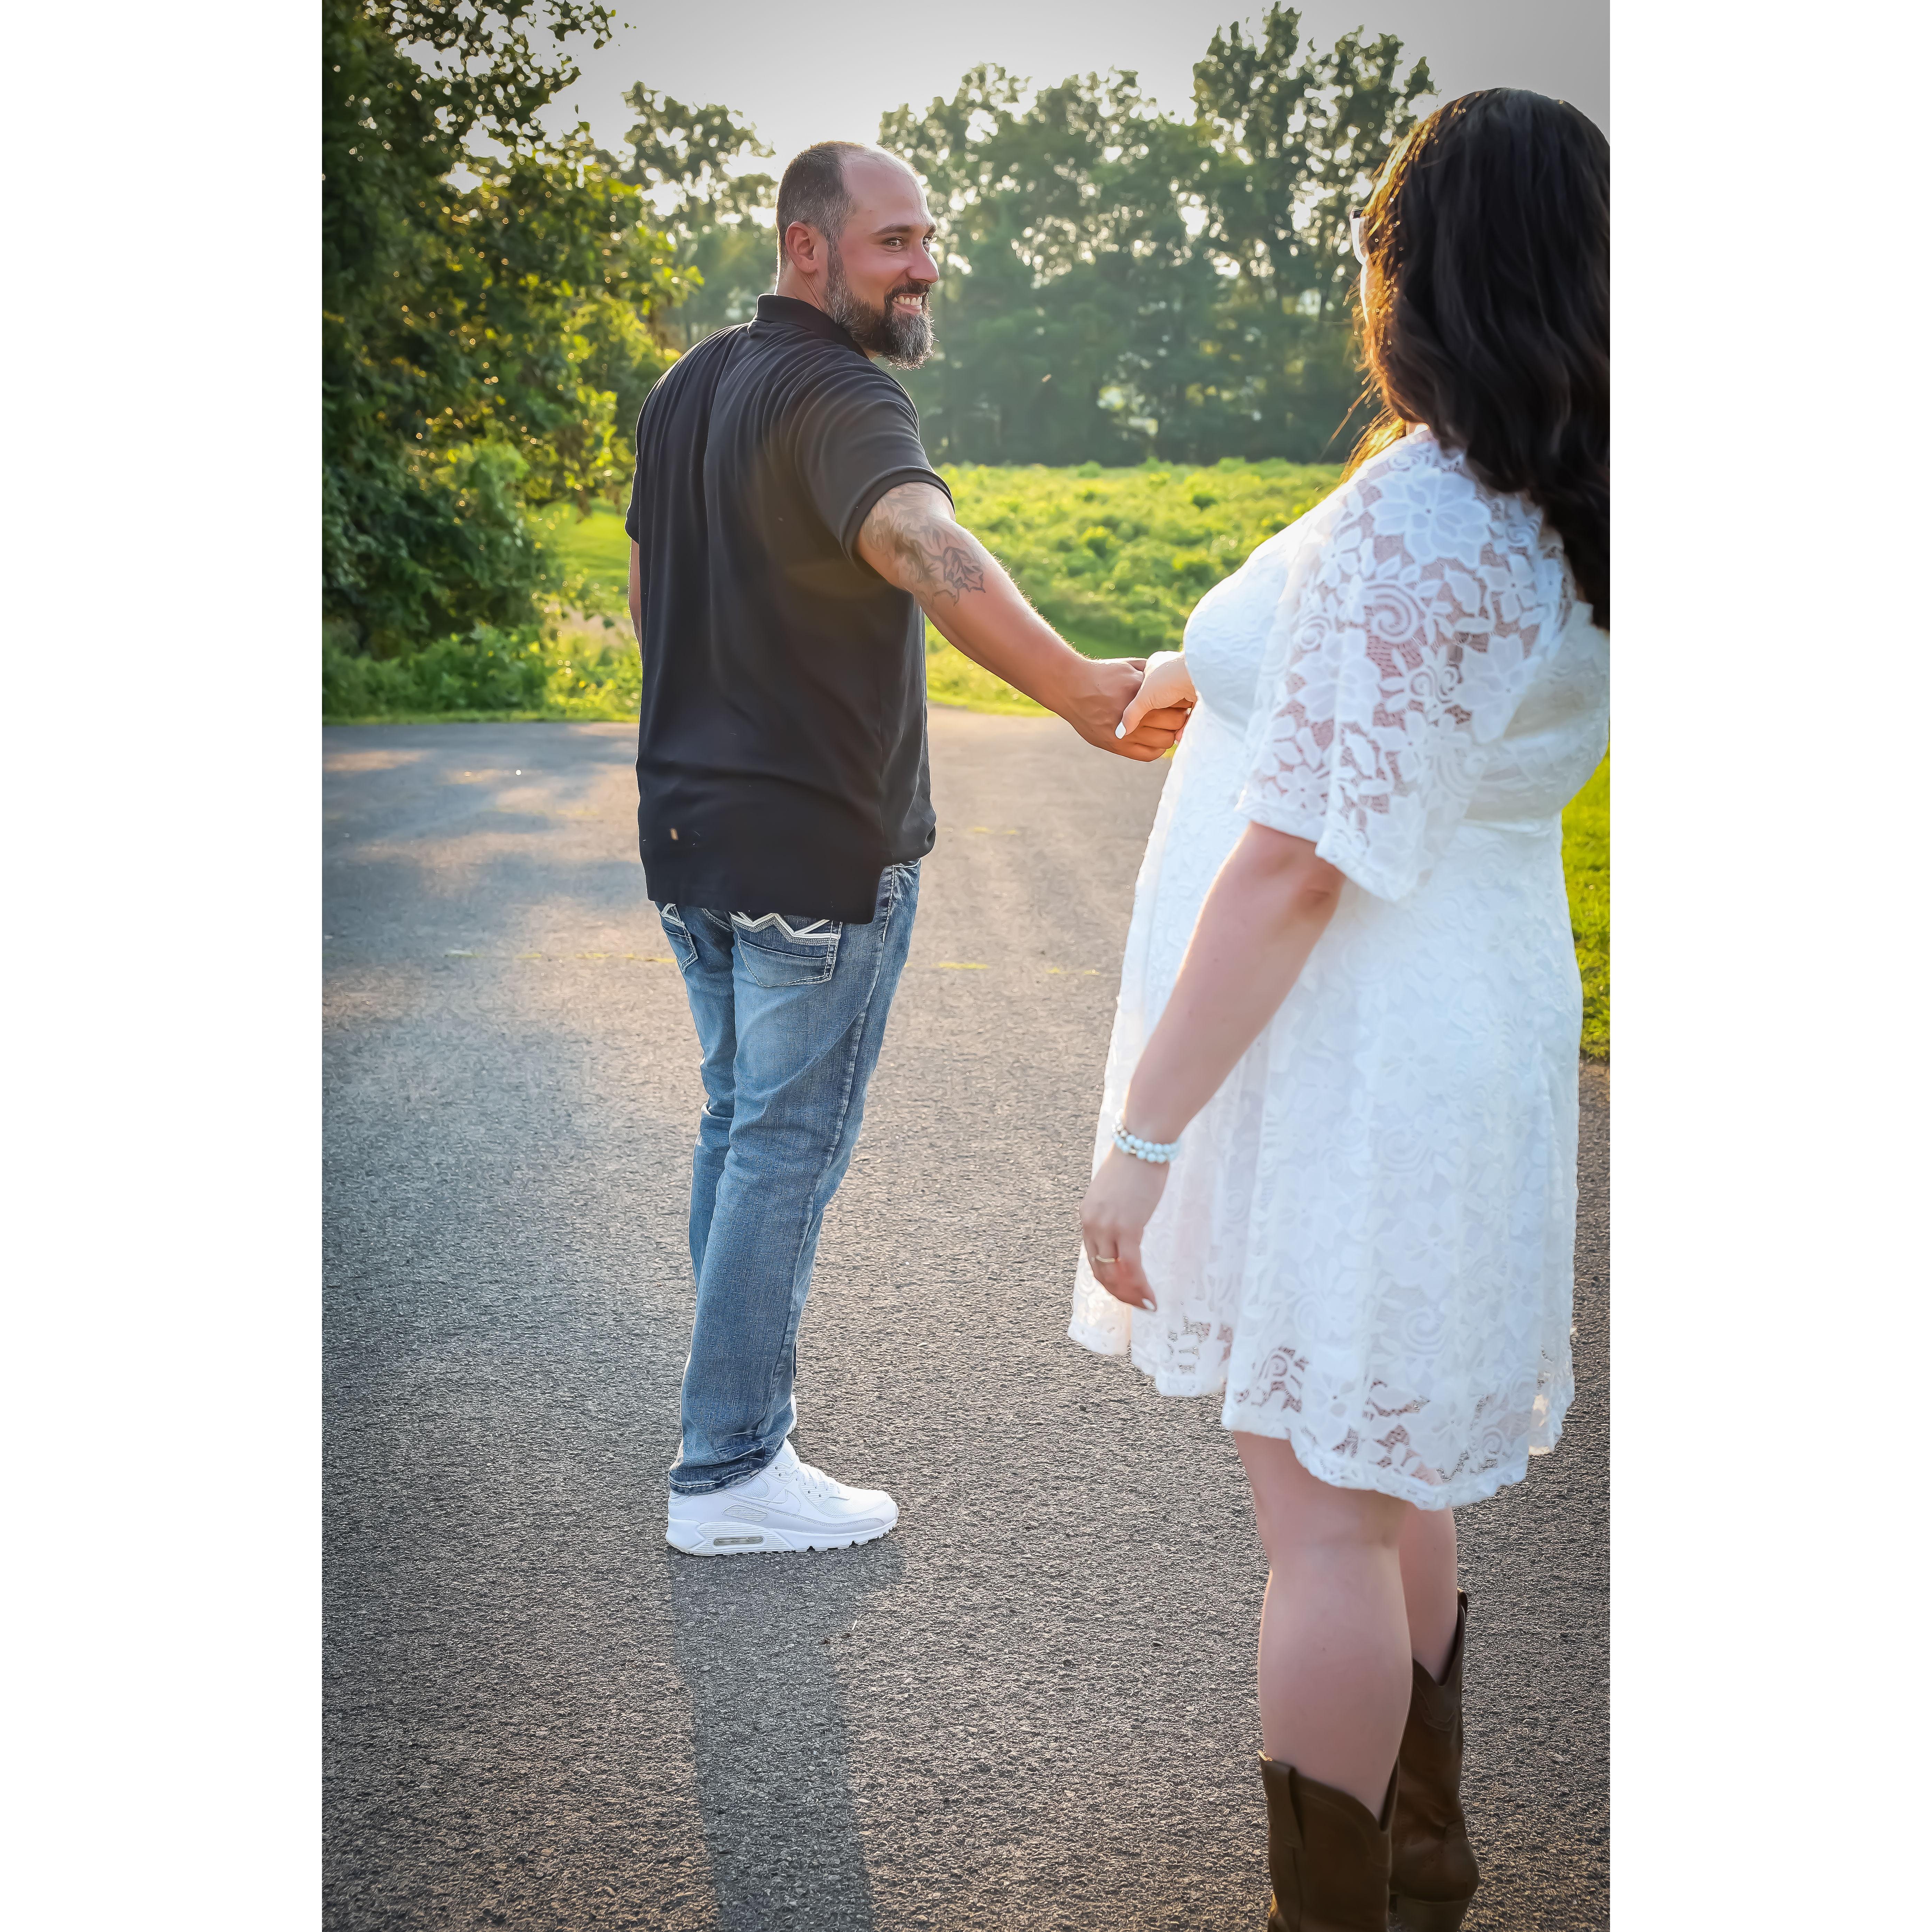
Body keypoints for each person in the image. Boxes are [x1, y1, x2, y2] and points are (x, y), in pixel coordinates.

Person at [1073, 91, 1609, 1930]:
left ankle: (1344, 1908)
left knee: (1317, 1523)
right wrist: (1203, 671)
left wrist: (1144, 1137)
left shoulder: (1428, 513)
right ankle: (1419, 1854)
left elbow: (1296, 866)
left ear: (1414, 276)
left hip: (1356, 1044)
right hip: (1469, 1021)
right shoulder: (1553, 488)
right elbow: (1369, 676)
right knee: (1383, 1467)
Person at [625, 140, 1187, 1559]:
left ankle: (728, 1423)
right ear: (806, 248)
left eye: (928, 240)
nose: (923, 267)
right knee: (779, 1146)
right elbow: (919, 539)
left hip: (689, 835)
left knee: (738, 1127)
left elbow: (647, 586)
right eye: (894, 243)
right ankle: (728, 1464)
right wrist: (1076, 687)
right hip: (815, 849)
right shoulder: (840, 393)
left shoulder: (689, 388)